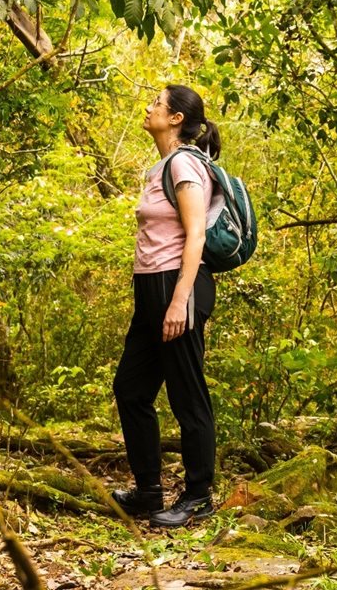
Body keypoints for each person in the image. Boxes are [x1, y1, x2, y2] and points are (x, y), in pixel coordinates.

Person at [111, 84, 222, 528]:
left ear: (176, 118)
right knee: (131, 389)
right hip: (151, 289)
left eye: (156, 103)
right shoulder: (163, 165)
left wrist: (179, 300)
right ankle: (148, 491)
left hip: (179, 288)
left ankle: (198, 495)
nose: (148, 107)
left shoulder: (184, 164)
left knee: (187, 393)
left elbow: (195, 234)